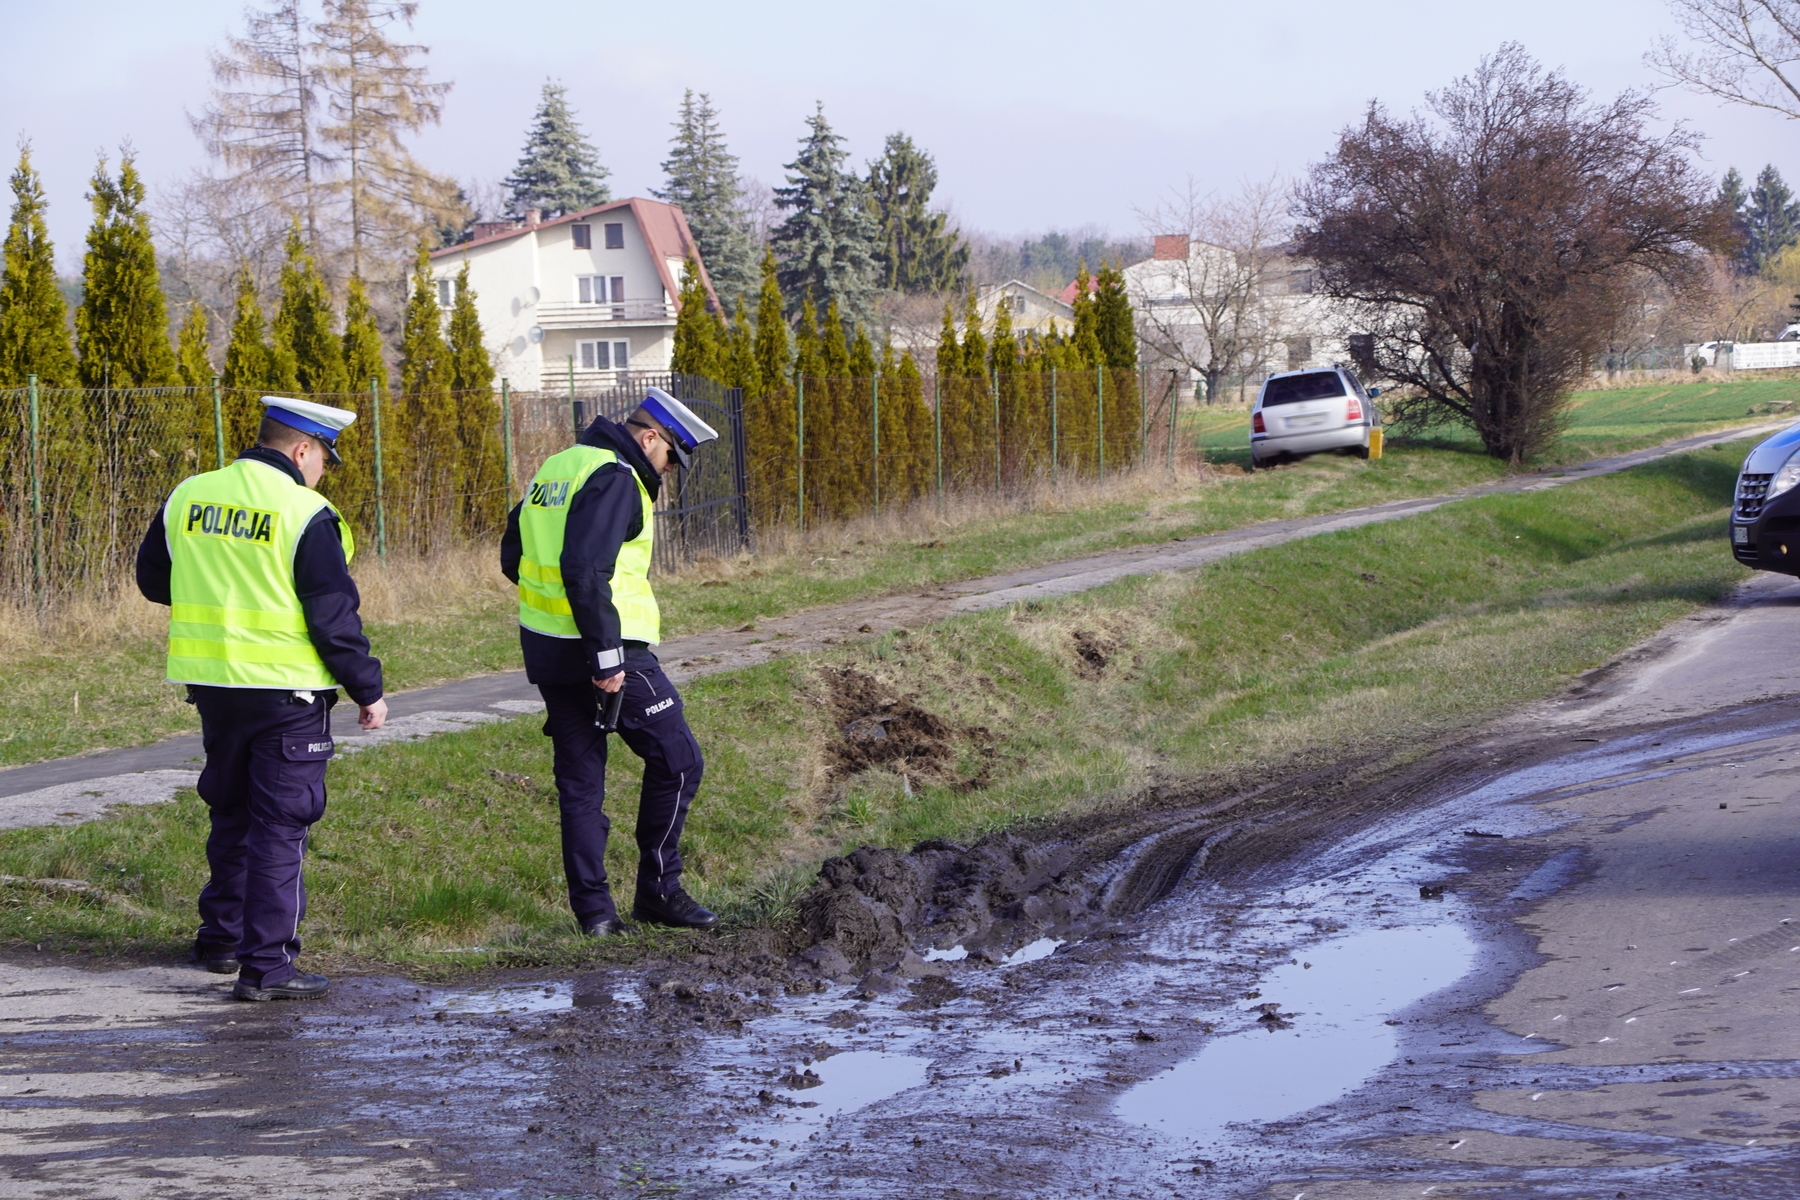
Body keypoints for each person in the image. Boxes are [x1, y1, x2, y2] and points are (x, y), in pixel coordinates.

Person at [135, 395, 386, 1002]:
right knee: (281, 823)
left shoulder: (189, 494)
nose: (324, 469)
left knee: (232, 811)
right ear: (302, 449)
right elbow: (332, 616)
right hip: (286, 691)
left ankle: (221, 939)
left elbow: (151, 579)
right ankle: (268, 968)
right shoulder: (305, 511)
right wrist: (368, 688)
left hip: (214, 684)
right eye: (324, 457)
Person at [500, 386, 718, 937]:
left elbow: (514, 555)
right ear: (651, 438)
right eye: (672, 457)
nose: (668, 472)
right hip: (610, 650)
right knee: (679, 759)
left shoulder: (557, 467)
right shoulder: (618, 475)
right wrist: (604, 654)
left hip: (548, 650)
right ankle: (660, 892)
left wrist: (556, 619)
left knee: (580, 784)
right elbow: (583, 568)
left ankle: (595, 915)